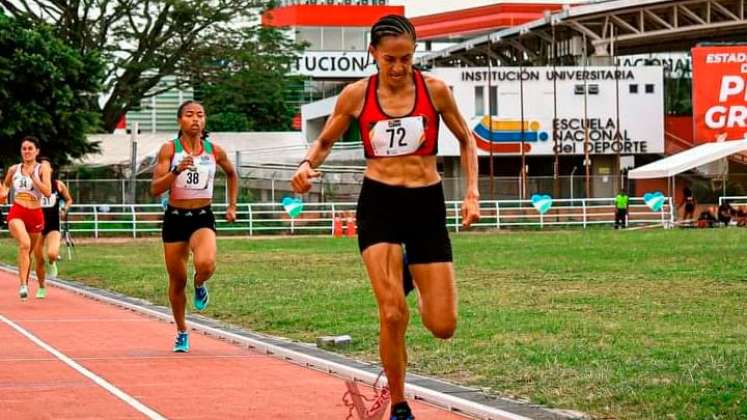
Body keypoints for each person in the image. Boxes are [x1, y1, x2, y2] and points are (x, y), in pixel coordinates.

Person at [291, 15, 480, 420]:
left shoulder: (436, 90)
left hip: (426, 204)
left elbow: (466, 140)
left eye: (406, 59)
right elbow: (324, 140)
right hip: (379, 203)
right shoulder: (357, 96)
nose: (397, 68)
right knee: (393, 311)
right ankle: (399, 404)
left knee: (442, 325)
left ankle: (408, 265)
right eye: (390, 59)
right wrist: (307, 164)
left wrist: (471, 193)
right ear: (373, 54)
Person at [150, 100, 238, 352]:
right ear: (180, 121)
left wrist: (232, 205)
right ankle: (181, 330)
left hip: (202, 216)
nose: (195, 119)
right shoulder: (169, 150)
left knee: (206, 264)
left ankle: (200, 283)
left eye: (200, 115)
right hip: (175, 218)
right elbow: (155, 188)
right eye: (189, 115)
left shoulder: (214, 151)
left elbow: (232, 174)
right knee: (177, 281)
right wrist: (176, 170)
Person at [0, 136, 52, 300]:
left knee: (29, 252)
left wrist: (33, 178)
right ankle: (22, 285)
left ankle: (27, 282)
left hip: (36, 214)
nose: (27, 151)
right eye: (24, 149)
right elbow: (6, 186)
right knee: (24, 243)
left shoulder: (42, 168)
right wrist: (2, 194)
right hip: (18, 211)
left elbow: (48, 192)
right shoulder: (13, 169)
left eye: (30, 148)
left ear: (37, 151)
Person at [32, 157, 74, 295]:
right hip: (37, 226)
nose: (44, 170)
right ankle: (41, 287)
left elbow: (68, 199)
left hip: (53, 225)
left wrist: (64, 209)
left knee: (52, 253)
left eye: (47, 167)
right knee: (38, 260)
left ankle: (52, 262)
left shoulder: (58, 185)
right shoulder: (33, 185)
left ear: (51, 170)